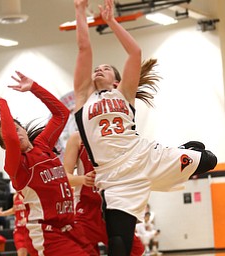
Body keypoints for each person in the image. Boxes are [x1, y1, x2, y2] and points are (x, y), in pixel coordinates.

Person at [73, 0, 218, 255]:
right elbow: (84, 48)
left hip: (146, 156)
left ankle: (181, 150)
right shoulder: (83, 98)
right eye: (97, 68)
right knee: (120, 245)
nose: (98, 69)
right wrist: (79, 10)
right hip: (115, 179)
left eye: (105, 68)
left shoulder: (124, 94)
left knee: (209, 159)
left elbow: (135, 53)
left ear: (117, 81)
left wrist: (111, 22)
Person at [0, 71, 97, 256]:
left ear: (24, 130)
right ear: (6, 146)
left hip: (70, 226)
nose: (16, 134)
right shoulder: (17, 166)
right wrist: (2, 104)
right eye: (10, 135)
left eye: (18, 129)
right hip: (47, 233)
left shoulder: (43, 144)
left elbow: (61, 114)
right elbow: (10, 137)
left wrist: (34, 88)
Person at [64, 131, 144, 256]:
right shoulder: (77, 137)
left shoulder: (122, 135)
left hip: (114, 207)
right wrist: (83, 179)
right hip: (86, 210)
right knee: (82, 251)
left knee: (135, 250)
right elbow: (65, 178)